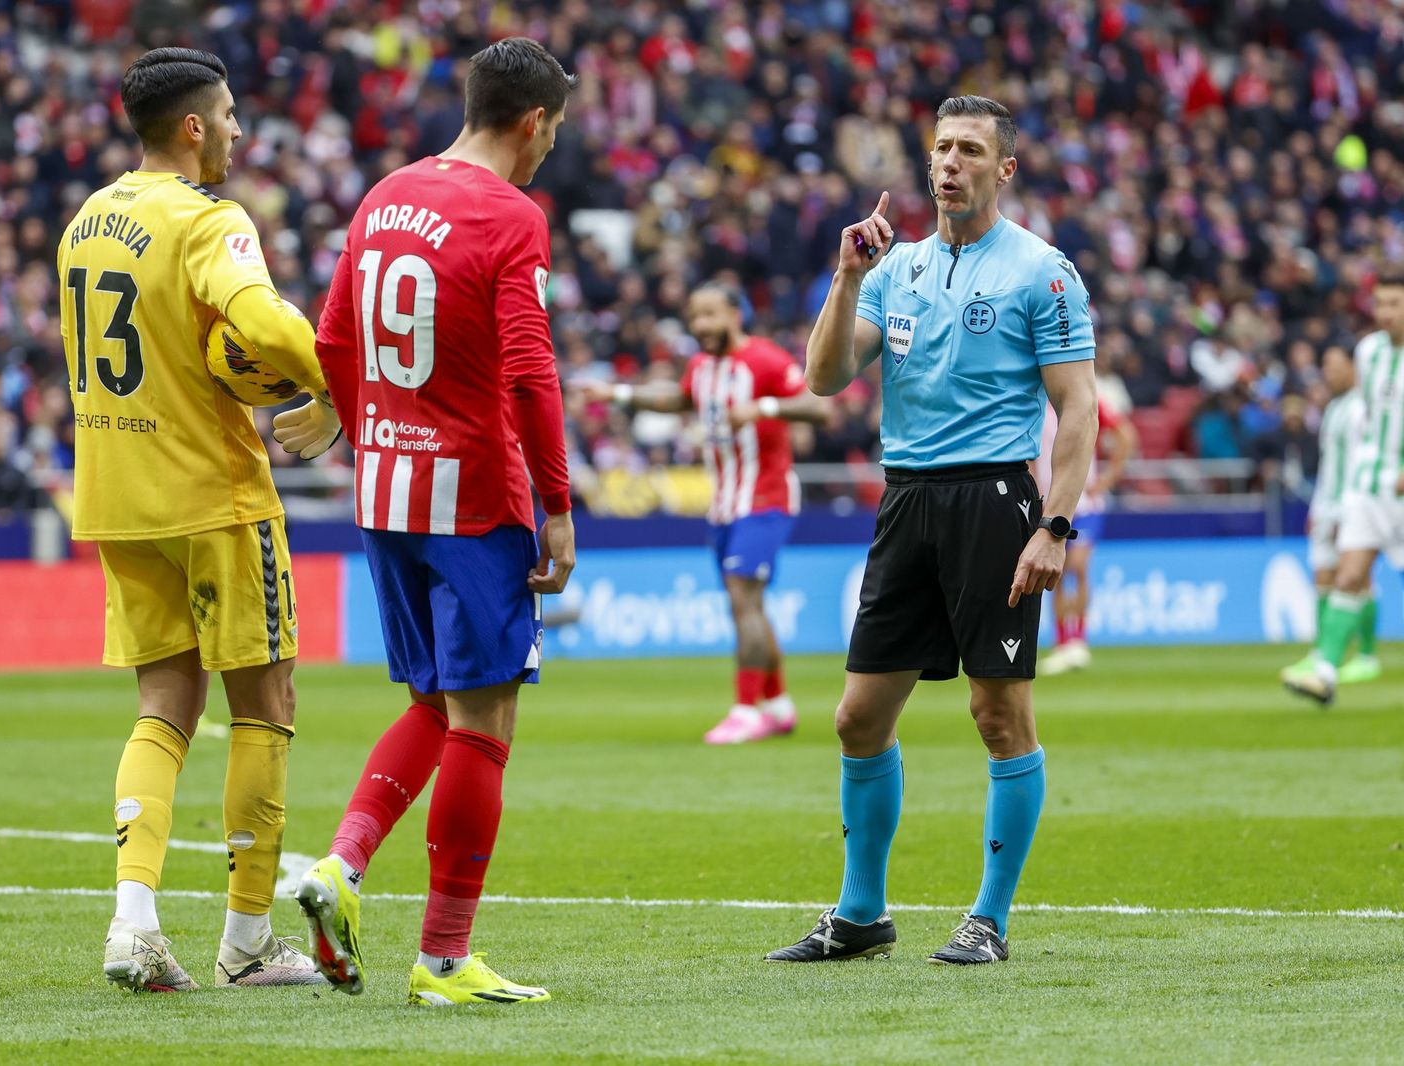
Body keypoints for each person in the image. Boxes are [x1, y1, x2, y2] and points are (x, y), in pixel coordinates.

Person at [276, 37, 576, 1007]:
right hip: (474, 501)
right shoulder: (511, 214)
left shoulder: (384, 194)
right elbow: (531, 371)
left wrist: (364, 429)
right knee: (484, 722)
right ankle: (443, 958)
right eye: (553, 132)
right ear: (532, 122)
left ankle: (341, 867)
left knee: (432, 705)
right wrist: (559, 505)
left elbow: (330, 341)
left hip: (384, 494)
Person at [764, 96, 1097, 966]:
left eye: (970, 150)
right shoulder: (894, 268)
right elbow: (825, 376)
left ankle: (989, 917)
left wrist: (1055, 525)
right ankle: (862, 913)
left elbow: (1077, 409)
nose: (949, 163)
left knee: (998, 714)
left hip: (994, 502)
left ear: (1004, 168)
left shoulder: (1042, 270)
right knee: (857, 719)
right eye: (941, 148)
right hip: (905, 500)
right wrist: (843, 277)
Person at [61, 48, 338, 993]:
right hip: (212, 495)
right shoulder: (209, 220)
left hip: (116, 494)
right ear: (191, 125)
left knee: (162, 706)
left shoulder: (85, 220)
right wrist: (334, 379)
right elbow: (257, 326)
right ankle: (248, 942)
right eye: (226, 116)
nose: (235, 131)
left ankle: (130, 924)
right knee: (266, 707)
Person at [580, 282, 827, 743]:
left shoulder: (768, 360)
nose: (701, 326)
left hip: (766, 498)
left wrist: (763, 406)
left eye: (710, 314)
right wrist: (616, 393)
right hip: (724, 504)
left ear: (736, 314)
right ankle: (777, 704)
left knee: (742, 597)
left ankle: (746, 709)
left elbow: (820, 407)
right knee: (747, 603)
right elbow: (680, 399)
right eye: (695, 317)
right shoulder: (701, 367)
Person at [1285, 270, 1404, 705]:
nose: (1387, 313)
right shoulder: (1369, 352)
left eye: (1396, 304)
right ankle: (1325, 672)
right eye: (1382, 304)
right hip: (1370, 488)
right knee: (1350, 575)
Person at [1281, 345, 1377, 687]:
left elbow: (1356, 466)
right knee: (1324, 577)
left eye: (1335, 366)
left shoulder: (1359, 410)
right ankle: (1323, 651)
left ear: (1354, 368)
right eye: (1325, 365)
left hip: (1349, 508)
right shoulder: (1334, 407)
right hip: (1328, 505)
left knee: (1357, 578)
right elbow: (1331, 467)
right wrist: (1319, 507)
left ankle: (1367, 655)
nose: (1328, 372)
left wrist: (1347, 512)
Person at [1037, 390, 1134, 674]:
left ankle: (1078, 639)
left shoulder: (1084, 398)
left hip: (1085, 503)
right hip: (1051, 504)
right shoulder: (1036, 401)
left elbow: (1125, 434)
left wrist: (1108, 479)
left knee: (1078, 567)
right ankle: (1062, 642)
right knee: (1055, 572)